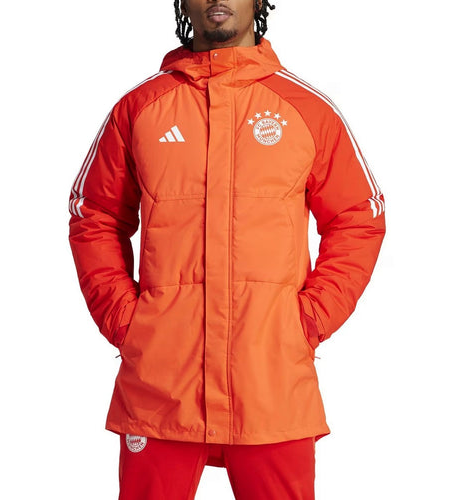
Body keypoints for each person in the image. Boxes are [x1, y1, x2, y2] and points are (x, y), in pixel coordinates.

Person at [68, 0, 386, 498]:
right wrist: (126, 320)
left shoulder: (307, 110)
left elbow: (358, 218)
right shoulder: (139, 109)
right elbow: (95, 215)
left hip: (272, 383)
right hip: (161, 384)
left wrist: (308, 320)